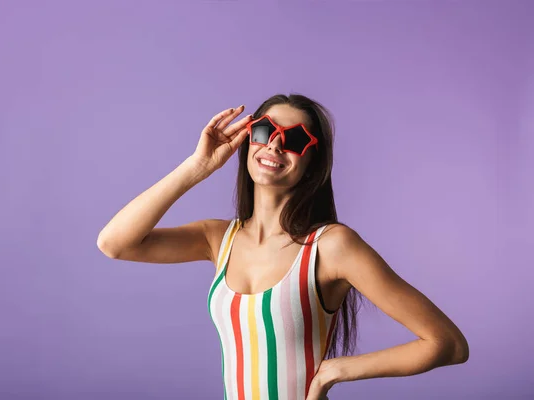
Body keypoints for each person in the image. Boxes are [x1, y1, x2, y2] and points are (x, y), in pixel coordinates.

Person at [96, 93, 469, 400]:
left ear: (312, 163)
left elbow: (448, 344)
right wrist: (198, 166)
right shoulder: (218, 239)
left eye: (294, 139)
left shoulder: (331, 246)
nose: (274, 143)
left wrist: (336, 370)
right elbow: (115, 243)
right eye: (264, 130)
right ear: (247, 139)